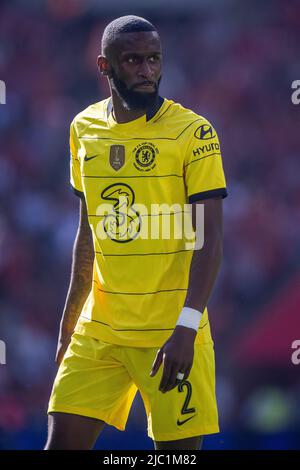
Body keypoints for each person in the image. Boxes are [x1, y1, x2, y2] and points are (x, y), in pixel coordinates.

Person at [45, 15, 227, 450]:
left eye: (153, 59)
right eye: (133, 61)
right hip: (101, 328)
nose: (146, 70)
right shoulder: (83, 129)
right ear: (105, 67)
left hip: (172, 332)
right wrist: (70, 319)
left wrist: (187, 325)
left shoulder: (193, 132)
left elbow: (210, 238)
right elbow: (88, 232)